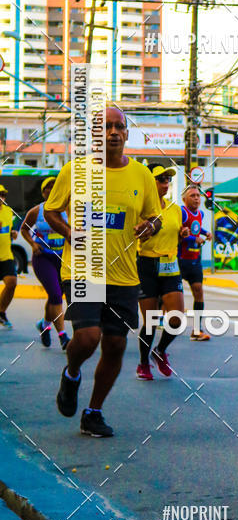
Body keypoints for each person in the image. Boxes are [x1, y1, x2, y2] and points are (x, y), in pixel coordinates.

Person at [45, 107, 162, 438]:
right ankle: (71, 374)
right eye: (105, 127)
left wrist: (149, 226)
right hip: (83, 269)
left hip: (125, 275)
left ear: (126, 134)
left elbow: (156, 217)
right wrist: (70, 234)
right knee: (88, 337)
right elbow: (51, 210)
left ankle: (93, 412)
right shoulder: (75, 170)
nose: (112, 131)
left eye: (118, 126)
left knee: (114, 346)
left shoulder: (141, 176)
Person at [136, 165, 187, 381]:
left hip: (170, 266)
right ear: (149, 182)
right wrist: (140, 234)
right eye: (160, 179)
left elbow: (176, 233)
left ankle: (160, 350)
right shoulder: (139, 208)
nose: (165, 184)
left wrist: (183, 234)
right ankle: (143, 362)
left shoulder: (175, 209)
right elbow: (132, 234)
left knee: (176, 319)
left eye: (168, 180)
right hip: (146, 265)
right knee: (151, 321)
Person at [20, 177, 69, 349]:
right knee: (56, 295)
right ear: (43, 192)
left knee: (55, 296)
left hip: (63, 259)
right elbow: (24, 229)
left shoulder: (69, 209)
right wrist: (33, 244)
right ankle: (63, 336)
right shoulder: (37, 211)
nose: (52, 189)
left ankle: (44, 324)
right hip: (43, 257)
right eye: (48, 187)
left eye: (55, 186)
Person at [179, 184, 212, 342]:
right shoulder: (182, 212)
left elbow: (196, 228)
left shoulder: (200, 214)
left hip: (195, 260)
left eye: (198, 195)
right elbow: (178, 232)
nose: (197, 198)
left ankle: (197, 330)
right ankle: (161, 319)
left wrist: (206, 233)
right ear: (184, 199)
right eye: (192, 195)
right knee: (169, 294)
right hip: (179, 259)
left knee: (198, 292)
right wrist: (194, 238)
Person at [0, 184, 17, 329]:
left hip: (6, 255)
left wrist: (12, 233)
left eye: (3, 195)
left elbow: (8, 228)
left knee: (11, 283)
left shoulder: (8, 211)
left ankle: (1, 312)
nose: (1, 197)